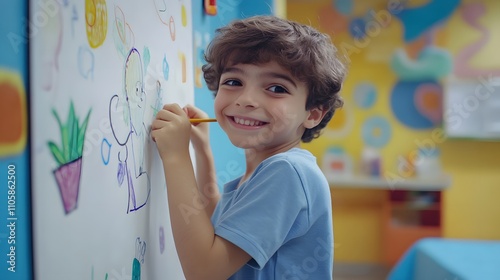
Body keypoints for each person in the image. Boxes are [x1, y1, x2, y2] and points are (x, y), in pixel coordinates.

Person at [152, 15, 347, 280]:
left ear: (313, 114)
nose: (246, 100)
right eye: (233, 82)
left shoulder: (287, 172)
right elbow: (217, 228)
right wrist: (203, 152)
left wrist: (176, 157)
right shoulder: (265, 172)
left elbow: (204, 271)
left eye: (276, 88)